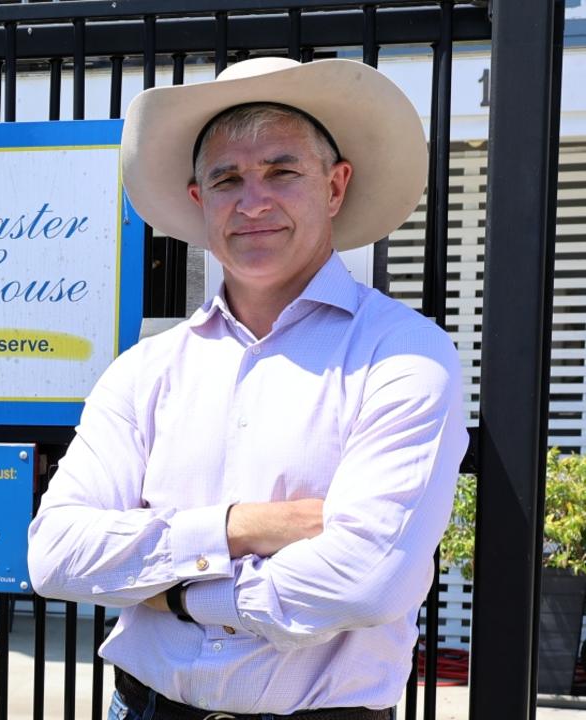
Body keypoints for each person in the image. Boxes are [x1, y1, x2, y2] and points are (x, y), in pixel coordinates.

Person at [27, 57, 468, 719]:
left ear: (334, 186)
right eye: (226, 177)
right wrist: (243, 528)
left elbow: (369, 579)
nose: (252, 200)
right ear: (200, 199)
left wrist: (174, 593)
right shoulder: (147, 369)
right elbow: (56, 555)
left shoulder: (401, 355)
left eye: (281, 171)